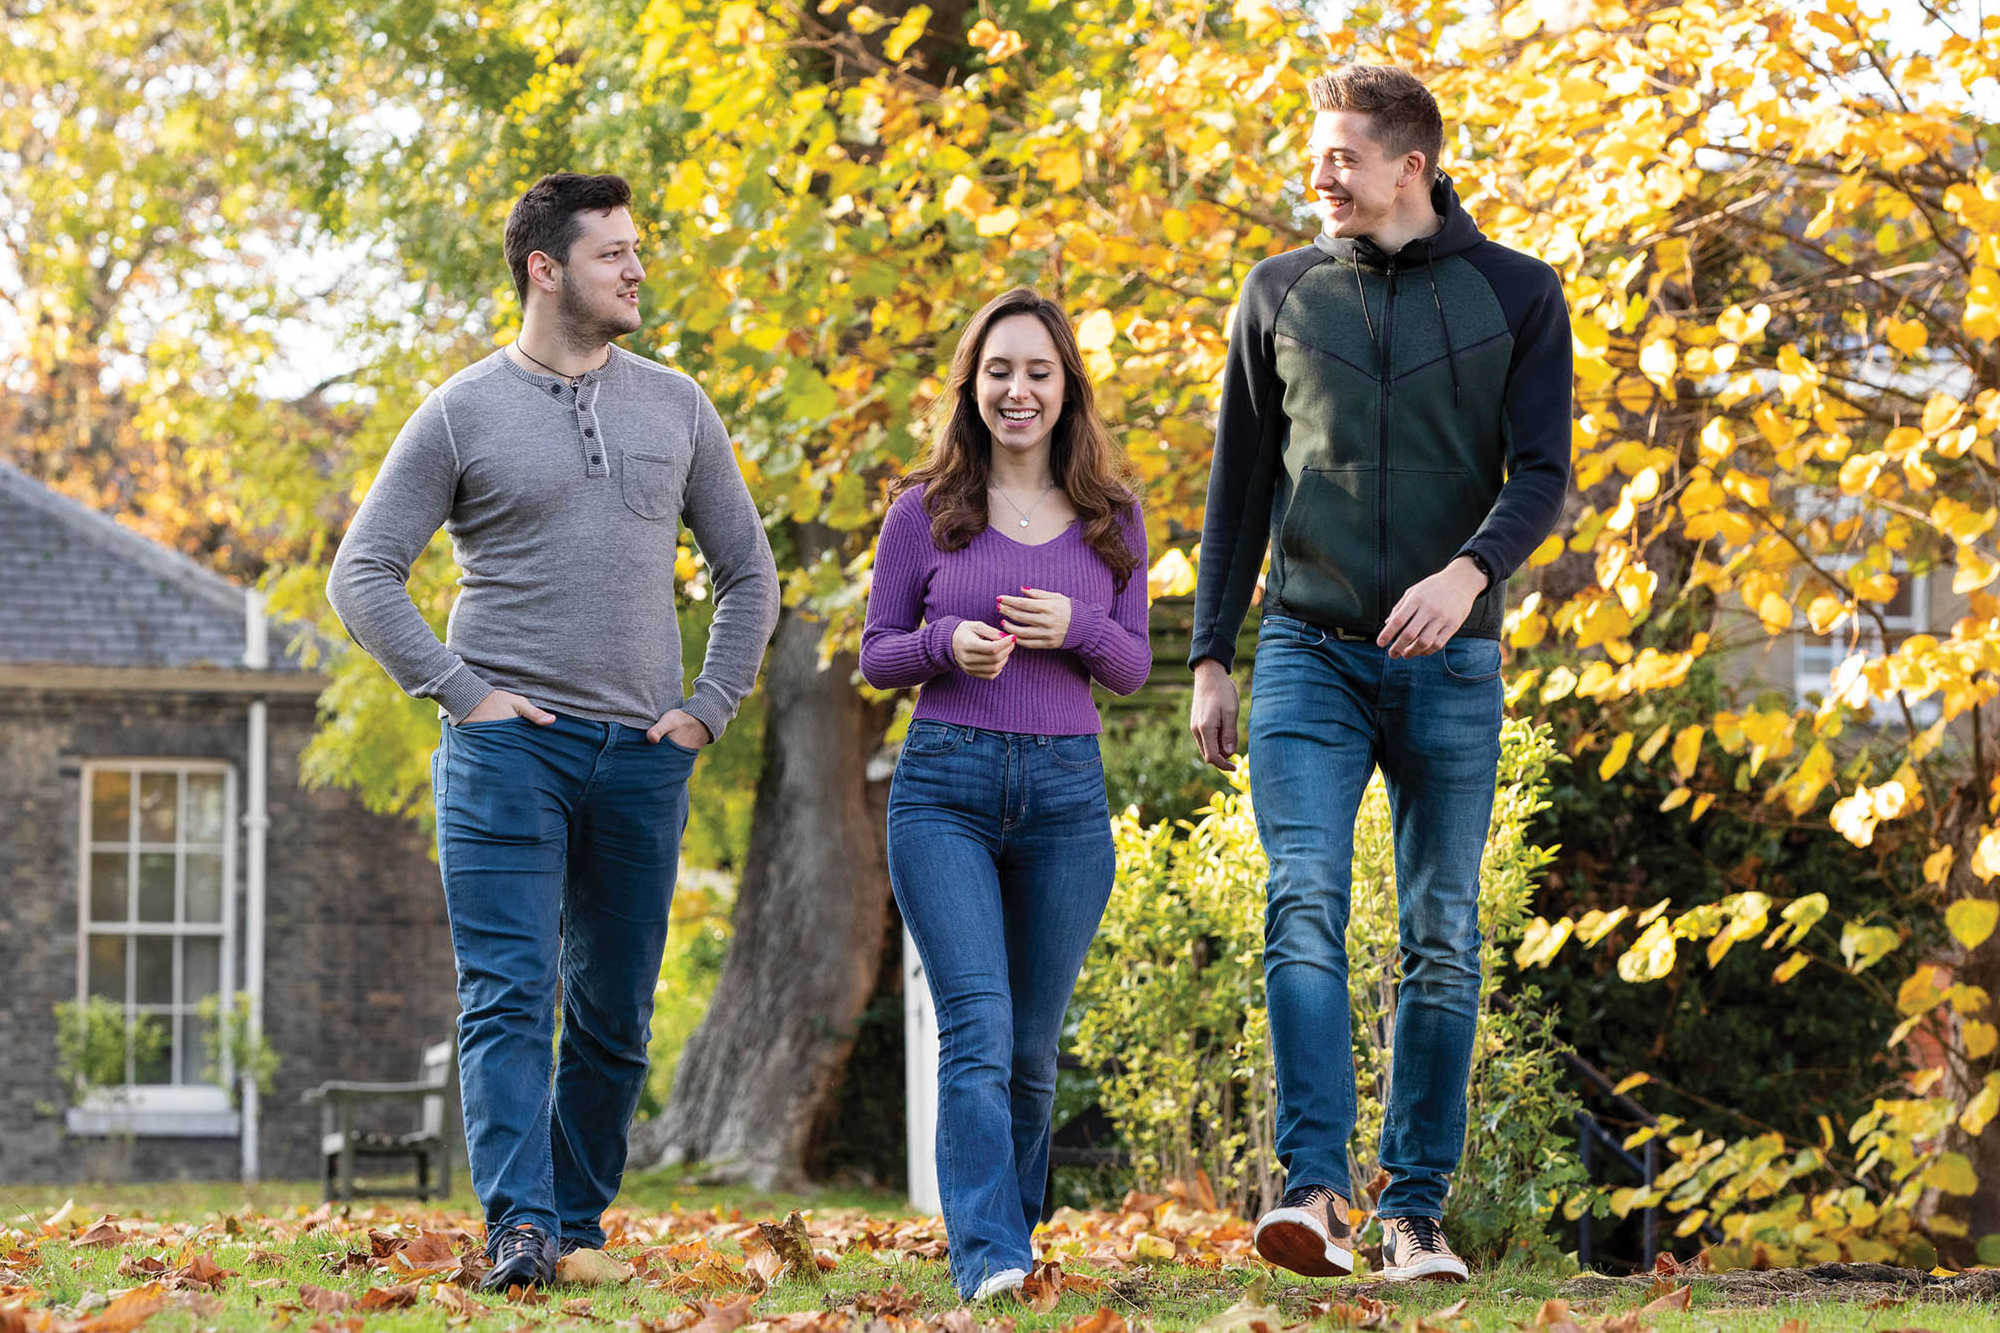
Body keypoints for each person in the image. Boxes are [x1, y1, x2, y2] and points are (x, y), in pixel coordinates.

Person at [326, 172, 779, 1292]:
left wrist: (705, 708)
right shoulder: (461, 409)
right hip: (504, 752)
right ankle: (518, 1227)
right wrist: (458, 690)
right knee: (509, 993)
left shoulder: (675, 404)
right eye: (613, 253)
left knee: (616, 1012)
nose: (636, 270)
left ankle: (575, 1220)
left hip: (640, 756)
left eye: (637, 250)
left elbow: (748, 573)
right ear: (545, 268)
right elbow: (363, 573)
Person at [1187, 66, 1571, 1284]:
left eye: (1342, 155)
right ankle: (1312, 1194)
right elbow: (1237, 489)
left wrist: (1467, 575)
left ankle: (1411, 1213)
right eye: (1317, 156)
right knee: (1301, 898)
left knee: (1440, 932)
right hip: (1306, 652)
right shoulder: (1278, 294)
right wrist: (1208, 653)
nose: (1320, 176)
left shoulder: (1516, 293)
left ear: (1411, 162)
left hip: (1450, 663)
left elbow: (1542, 473)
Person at [861, 288, 1151, 1303]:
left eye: (1035, 370)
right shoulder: (923, 511)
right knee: (976, 1028)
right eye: (997, 371)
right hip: (945, 786)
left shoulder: (1111, 515)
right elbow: (875, 656)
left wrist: (1075, 620)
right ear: (971, 387)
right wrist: (944, 643)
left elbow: (1127, 665)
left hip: (1066, 800)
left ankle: (1009, 1238)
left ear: (1065, 384)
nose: (1016, 389)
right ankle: (987, 1256)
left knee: (1030, 1051)